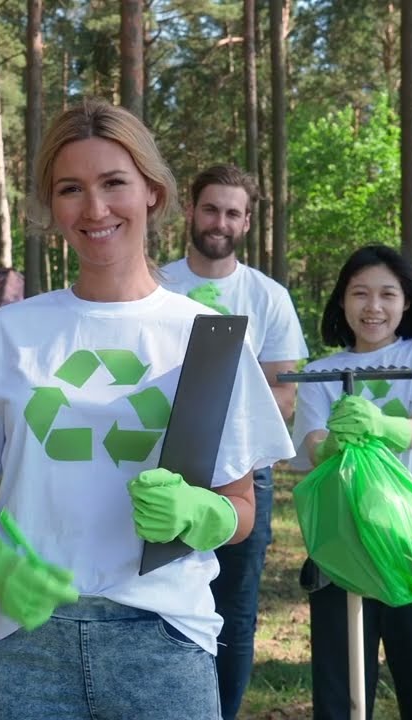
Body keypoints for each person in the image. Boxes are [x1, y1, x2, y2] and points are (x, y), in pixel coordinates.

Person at [0, 99, 295, 720]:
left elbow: (243, 506)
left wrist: (204, 514)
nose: (94, 209)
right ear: (51, 207)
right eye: (71, 189)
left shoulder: (208, 335)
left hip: (165, 640)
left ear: (151, 191)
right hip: (23, 642)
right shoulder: (8, 334)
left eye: (114, 183)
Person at [290, 244, 412, 720]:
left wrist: (380, 426)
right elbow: (314, 448)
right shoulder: (320, 374)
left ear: (407, 302)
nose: (372, 307)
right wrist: (335, 444)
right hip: (341, 546)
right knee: (340, 694)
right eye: (359, 294)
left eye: (386, 294)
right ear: (341, 301)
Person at [159, 164, 307, 719]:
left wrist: (218, 443)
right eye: (210, 209)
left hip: (245, 477)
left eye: (232, 213)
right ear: (191, 212)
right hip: (162, 474)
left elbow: (282, 395)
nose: (219, 222)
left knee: (235, 612)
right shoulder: (157, 284)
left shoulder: (267, 297)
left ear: (246, 222)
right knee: (160, 601)